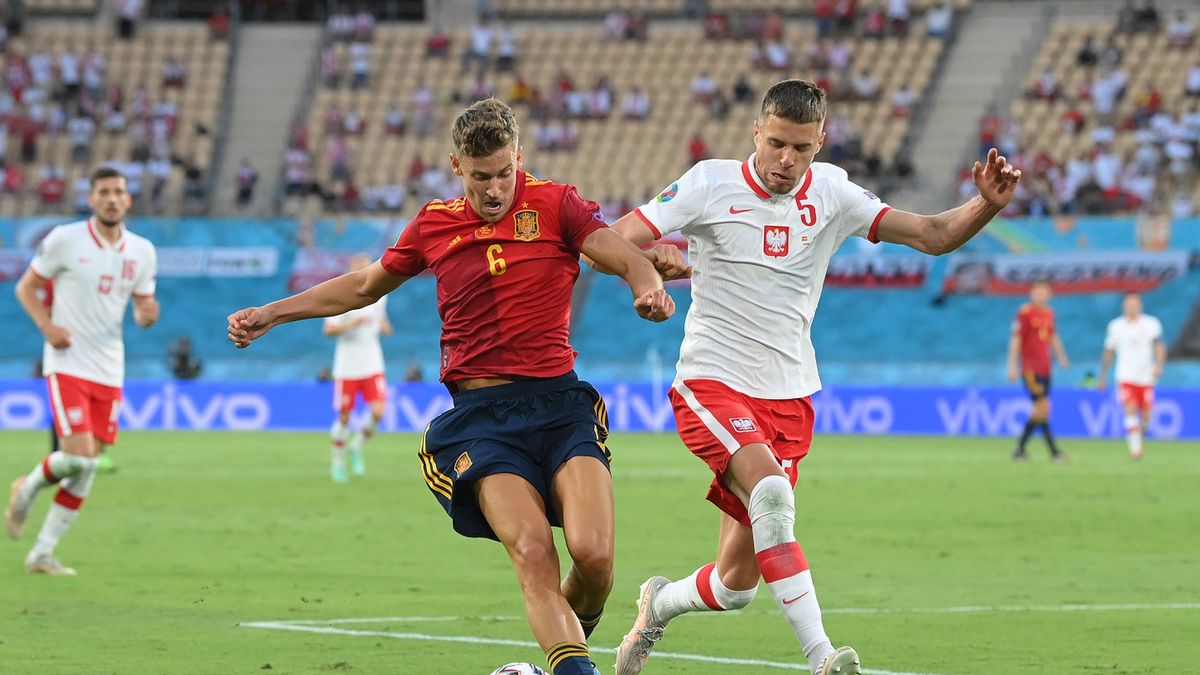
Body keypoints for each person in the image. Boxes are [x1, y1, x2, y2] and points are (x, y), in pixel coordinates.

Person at [226, 98, 676, 675]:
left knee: (595, 558)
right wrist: (273, 313)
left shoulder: (556, 204)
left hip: (560, 405)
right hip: (481, 420)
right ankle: (573, 667)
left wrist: (647, 289)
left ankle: (560, 656)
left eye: (504, 174)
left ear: (520, 157)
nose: (494, 190)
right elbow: (364, 286)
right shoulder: (434, 223)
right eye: (480, 176)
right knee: (532, 551)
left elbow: (627, 258)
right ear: (456, 166)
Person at [598, 79, 1022, 675]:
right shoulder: (708, 183)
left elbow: (932, 235)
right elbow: (607, 241)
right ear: (756, 132)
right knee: (772, 493)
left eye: (801, 147)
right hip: (712, 380)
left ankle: (659, 605)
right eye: (776, 144)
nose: (786, 160)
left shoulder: (834, 193)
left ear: (820, 141)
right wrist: (647, 268)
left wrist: (987, 204)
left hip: (790, 395)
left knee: (737, 583)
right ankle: (823, 658)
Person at [5, 166, 158, 575]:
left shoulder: (142, 251)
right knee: (77, 458)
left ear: (128, 200)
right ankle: (27, 486)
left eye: (119, 192)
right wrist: (47, 326)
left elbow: (142, 311)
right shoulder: (65, 240)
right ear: (91, 199)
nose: (111, 198)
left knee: (87, 463)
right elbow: (25, 287)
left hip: (110, 368)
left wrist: (147, 315)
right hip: (68, 360)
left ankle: (42, 553)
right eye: (104, 191)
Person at [322, 254, 393, 483]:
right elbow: (328, 330)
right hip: (347, 366)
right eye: (359, 267)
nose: (364, 270)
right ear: (351, 270)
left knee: (378, 412)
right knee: (344, 418)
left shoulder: (380, 295)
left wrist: (383, 325)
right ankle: (338, 461)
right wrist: (352, 324)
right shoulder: (341, 297)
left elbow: (380, 317)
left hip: (372, 361)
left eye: (366, 266)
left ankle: (356, 445)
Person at [1007, 279, 1070, 462]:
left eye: (1045, 291)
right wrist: (1012, 365)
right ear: (1031, 293)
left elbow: (1053, 336)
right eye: (1038, 291)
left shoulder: (1049, 313)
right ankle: (1054, 452)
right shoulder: (1025, 313)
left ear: (1050, 294)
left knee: (1040, 410)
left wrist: (1061, 356)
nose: (1041, 295)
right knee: (1043, 408)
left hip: (1046, 368)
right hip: (1030, 369)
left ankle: (1020, 449)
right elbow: (1016, 339)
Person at [1099, 292, 1165, 460]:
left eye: (1135, 303)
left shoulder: (1151, 324)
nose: (1132, 306)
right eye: (1129, 303)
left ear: (1140, 305)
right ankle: (1135, 449)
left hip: (1146, 377)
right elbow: (1109, 352)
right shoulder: (1115, 326)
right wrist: (1103, 376)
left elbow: (1159, 347)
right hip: (1125, 376)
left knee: (1146, 417)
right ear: (1124, 306)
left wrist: (1158, 366)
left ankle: (1139, 435)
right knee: (1129, 408)